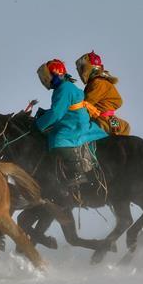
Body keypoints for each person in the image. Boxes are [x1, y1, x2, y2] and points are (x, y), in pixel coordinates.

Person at [34, 59, 108, 188]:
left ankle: (77, 173)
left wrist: (38, 125)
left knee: (58, 139)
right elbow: (59, 110)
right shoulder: (64, 87)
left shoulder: (64, 88)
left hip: (74, 124)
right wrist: (44, 115)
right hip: (72, 119)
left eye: (47, 76)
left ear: (56, 74)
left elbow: (57, 113)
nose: (46, 80)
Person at [74, 51, 130, 135]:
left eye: (82, 68)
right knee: (125, 126)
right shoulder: (105, 82)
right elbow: (119, 102)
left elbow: (86, 105)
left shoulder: (97, 83)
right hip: (112, 120)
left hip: (101, 121)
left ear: (87, 69)